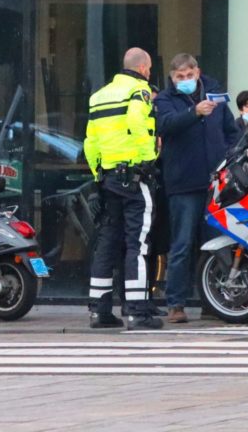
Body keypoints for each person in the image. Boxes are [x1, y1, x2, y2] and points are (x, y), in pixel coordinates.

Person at [153, 53, 239, 324]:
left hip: (215, 183)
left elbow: (231, 131)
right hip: (182, 183)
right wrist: (193, 112)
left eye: (189, 75)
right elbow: (164, 125)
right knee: (181, 244)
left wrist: (229, 156)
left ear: (198, 73)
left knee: (216, 243)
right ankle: (176, 304)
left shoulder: (216, 96)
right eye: (180, 77)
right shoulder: (166, 100)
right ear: (172, 78)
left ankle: (214, 300)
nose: (185, 81)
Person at [84, 47, 162, 331]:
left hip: (107, 177)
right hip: (133, 176)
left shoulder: (99, 96)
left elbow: (90, 142)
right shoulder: (139, 91)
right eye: (150, 69)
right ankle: (138, 312)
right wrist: (147, 160)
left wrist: (97, 176)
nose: (149, 74)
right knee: (137, 244)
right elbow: (137, 123)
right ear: (142, 68)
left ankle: (99, 310)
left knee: (106, 242)